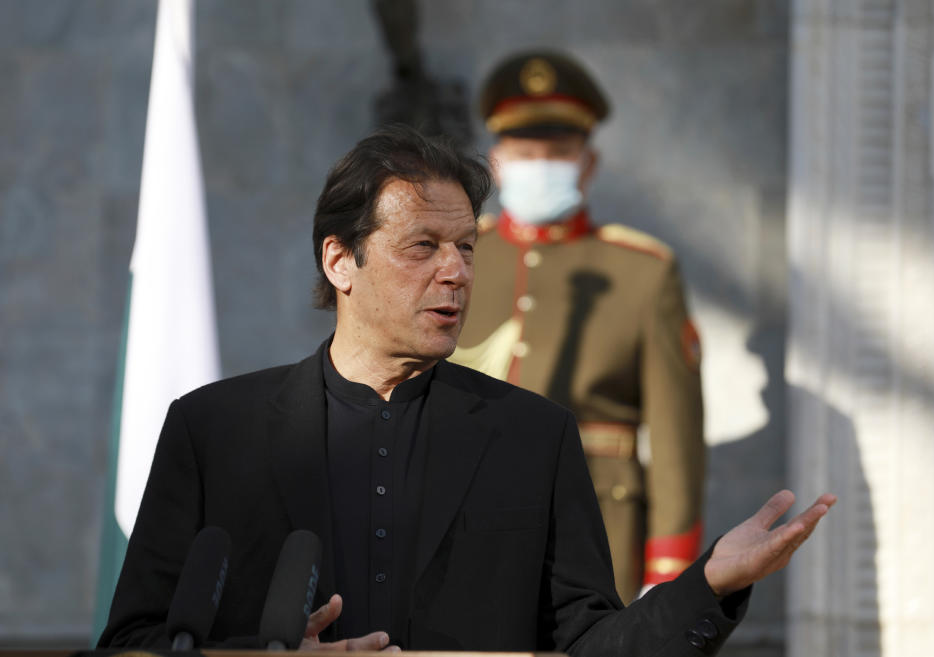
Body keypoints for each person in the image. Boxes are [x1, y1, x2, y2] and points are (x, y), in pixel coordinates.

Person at [99, 124, 835, 654]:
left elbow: (589, 642)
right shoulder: (213, 429)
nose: (455, 272)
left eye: (465, 248)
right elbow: (136, 638)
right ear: (339, 260)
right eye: (423, 247)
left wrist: (707, 583)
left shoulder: (533, 437)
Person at [450, 50, 705, 602]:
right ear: (496, 162)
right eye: (525, 153)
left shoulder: (642, 271)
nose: (541, 165)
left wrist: (668, 572)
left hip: (598, 533)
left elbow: (676, 436)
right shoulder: (461, 256)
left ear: (588, 164)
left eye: (559, 154)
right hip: (464, 525)